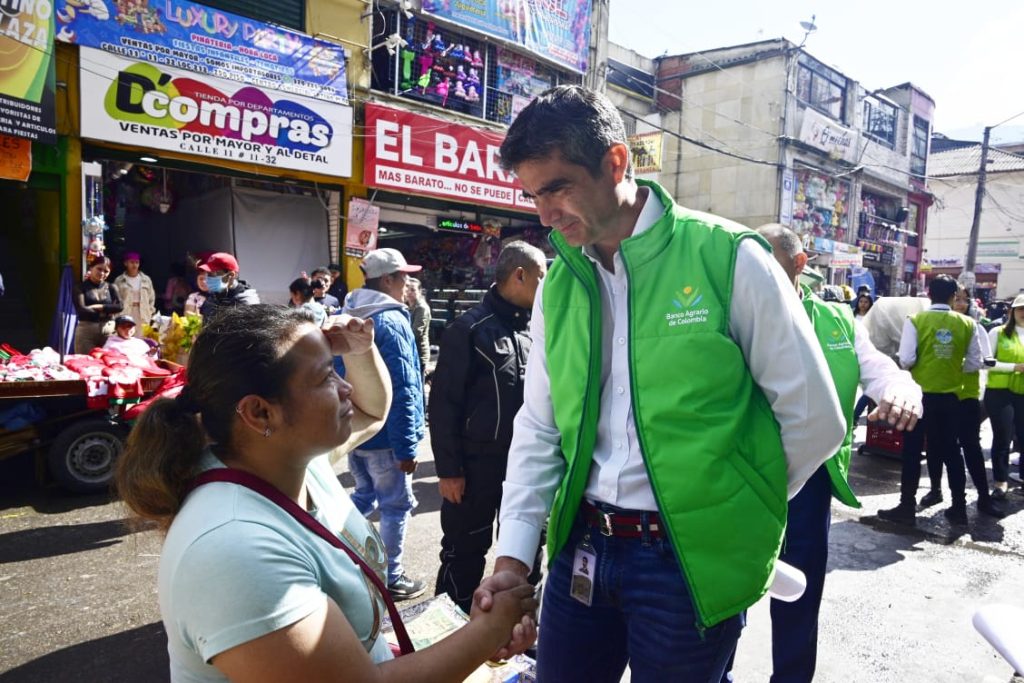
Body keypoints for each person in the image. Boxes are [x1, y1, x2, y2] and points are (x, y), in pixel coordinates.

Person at [475, 85, 847, 681]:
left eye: (556, 188)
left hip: (688, 563)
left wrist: (736, 508)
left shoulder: (728, 257)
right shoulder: (561, 283)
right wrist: (514, 558)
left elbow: (814, 418)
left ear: (615, 162)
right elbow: (541, 425)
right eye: (531, 196)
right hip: (583, 548)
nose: (543, 215)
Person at [114, 305, 538, 682]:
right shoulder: (233, 549)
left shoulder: (290, 459)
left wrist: (358, 350)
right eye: (324, 377)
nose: (345, 386)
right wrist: (487, 632)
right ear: (260, 411)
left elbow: (372, 410)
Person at [733, 224, 922, 682]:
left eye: (769, 262)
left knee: (798, 591)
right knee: (726, 590)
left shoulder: (837, 321)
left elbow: (878, 369)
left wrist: (900, 390)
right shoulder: (731, 315)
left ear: (799, 265)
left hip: (809, 480)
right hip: (739, 477)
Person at [430, 241, 548, 614]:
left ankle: (516, 632)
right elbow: (443, 404)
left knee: (528, 553)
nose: (546, 286)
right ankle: (447, 636)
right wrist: (449, 471)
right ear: (519, 276)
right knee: (463, 552)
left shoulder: (539, 332)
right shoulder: (468, 329)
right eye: (541, 277)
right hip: (474, 468)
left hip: (526, 467)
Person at [342, 247, 427, 600]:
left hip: (355, 432)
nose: (407, 283)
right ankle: (392, 577)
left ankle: (337, 554)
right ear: (388, 279)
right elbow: (406, 387)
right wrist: (408, 446)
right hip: (387, 439)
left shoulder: (345, 314)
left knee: (361, 497)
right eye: (404, 277)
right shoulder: (391, 321)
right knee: (395, 506)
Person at [879, 274, 985, 526]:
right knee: (951, 452)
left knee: (912, 451)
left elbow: (906, 359)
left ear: (929, 294)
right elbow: (975, 362)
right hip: (950, 398)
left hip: (918, 397)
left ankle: (907, 507)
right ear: (953, 296)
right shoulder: (967, 324)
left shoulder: (916, 320)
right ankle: (958, 507)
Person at [984, 293, 1024, 500]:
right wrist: (1014, 367)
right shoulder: (998, 333)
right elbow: (986, 362)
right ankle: (1000, 481)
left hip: (1022, 393)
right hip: (1000, 393)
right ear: (1012, 311)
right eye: (1021, 309)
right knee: (1003, 437)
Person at [74, 255, 123, 354]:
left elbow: (120, 306)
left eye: (106, 271)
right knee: (85, 364)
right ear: (91, 268)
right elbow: (81, 310)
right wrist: (108, 310)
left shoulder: (111, 287)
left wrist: (101, 307)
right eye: (99, 269)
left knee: (109, 364)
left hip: (109, 332)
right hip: (87, 332)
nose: (102, 273)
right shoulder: (80, 287)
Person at [199, 252, 260, 320]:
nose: (208, 278)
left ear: (231, 275)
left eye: (213, 274)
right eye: (208, 274)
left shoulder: (246, 302)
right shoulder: (212, 298)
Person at [113, 251, 157, 335]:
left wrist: (150, 311)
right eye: (132, 262)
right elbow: (115, 298)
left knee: (142, 337)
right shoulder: (119, 280)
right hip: (125, 311)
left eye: (137, 262)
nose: (134, 265)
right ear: (126, 263)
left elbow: (152, 297)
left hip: (142, 312)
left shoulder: (146, 279)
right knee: (126, 336)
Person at [404, 277, 432, 380]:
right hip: (410, 352)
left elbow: (416, 332)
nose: (409, 293)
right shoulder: (408, 307)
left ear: (419, 291)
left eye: (413, 290)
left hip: (419, 354)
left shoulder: (421, 308)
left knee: (418, 387)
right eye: (407, 289)